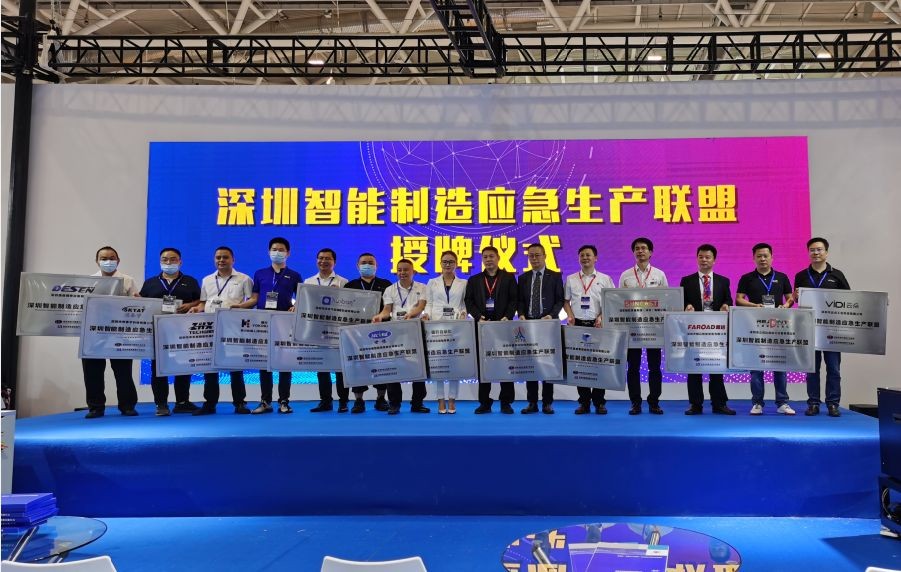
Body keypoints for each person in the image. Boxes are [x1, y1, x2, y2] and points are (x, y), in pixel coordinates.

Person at [190, 246, 255, 415]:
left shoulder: (244, 279)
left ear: (233, 260)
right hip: (210, 328)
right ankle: (210, 404)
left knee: (235, 367)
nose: (221, 260)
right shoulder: (207, 280)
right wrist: (197, 309)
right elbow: (203, 303)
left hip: (234, 328)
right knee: (210, 367)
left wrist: (240, 307)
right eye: (218, 257)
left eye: (225, 257)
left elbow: (252, 301)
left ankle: (240, 403)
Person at [138, 247, 203, 416]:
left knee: (184, 366)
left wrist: (190, 305)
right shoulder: (150, 283)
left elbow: (200, 301)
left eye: (173, 259)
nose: (169, 262)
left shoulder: (190, 281)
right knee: (158, 368)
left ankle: (182, 402)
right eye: (165, 259)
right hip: (158, 332)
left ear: (180, 261)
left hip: (183, 331)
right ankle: (161, 404)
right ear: (160, 262)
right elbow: (142, 303)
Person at [793, 237, 851, 417]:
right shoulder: (801, 276)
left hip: (832, 331)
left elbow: (850, 300)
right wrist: (796, 297)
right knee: (812, 369)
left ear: (826, 252)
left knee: (833, 369)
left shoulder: (837, 275)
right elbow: (797, 301)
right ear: (808, 253)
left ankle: (833, 404)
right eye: (812, 250)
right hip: (809, 330)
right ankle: (813, 403)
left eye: (819, 249)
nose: (815, 253)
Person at [736, 242, 796, 416]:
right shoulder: (747, 278)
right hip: (755, 328)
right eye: (759, 256)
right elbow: (738, 299)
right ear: (754, 258)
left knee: (780, 366)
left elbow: (790, 298)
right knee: (756, 367)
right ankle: (757, 403)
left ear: (771, 257)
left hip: (778, 328)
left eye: (765, 255)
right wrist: (755, 306)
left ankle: (782, 402)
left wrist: (786, 305)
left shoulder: (782, 277)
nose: (762, 259)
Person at [246, 237, 303, 414]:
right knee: (265, 363)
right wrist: (238, 307)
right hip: (263, 324)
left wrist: (296, 306)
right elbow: (254, 298)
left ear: (288, 253)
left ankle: (284, 401)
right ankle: (265, 401)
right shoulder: (260, 273)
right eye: (274, 249)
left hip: (285, 323)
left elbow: (301, 298)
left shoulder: (294, 275)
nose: (277, 252)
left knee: (285, 363)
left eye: (281, 250)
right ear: (269, 252)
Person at [82, 246, 140, 419]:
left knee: (123, 372)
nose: (108, 261)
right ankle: (95, 407)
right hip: (94, 333)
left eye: (112, 258)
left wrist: (138, 302)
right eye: (104, 258)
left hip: (120, 332)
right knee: (93, 372)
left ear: (118, 260)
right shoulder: (88, 281)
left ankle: (127, 406)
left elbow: (136, 305)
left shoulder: (127, 280)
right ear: (97, 261)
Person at [679, 244, 736, 416]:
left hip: (715, 332)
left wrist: (726, 305)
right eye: (701, 257)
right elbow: (681, 301)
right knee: (694, 368)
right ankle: (695, 404)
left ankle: (719, 404)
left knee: (716, 368)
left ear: (714, 260)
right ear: (697, 258)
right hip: (694, 330)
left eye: (707, 257)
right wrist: (687, 306)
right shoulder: (686, 280)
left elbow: (729, 300)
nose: (704, 260)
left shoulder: (723, 281)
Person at [464, 246, 518, 414]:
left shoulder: (508, 278)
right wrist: (478, 316)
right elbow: (469, 301)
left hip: (503, 327)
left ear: (498, 258)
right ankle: (484, 402)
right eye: (485, 257)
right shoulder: (474, 280)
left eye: (491, 256)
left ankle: (506, 402)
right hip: (483, 327)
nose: (488, 259)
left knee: (505, 363)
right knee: (484, 365)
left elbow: (514, 300)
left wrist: (507, 317)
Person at [563, 244, 615, 415]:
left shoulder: (605, 279)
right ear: (578, 258)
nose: (585, 258)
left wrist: (601, 317)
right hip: (578, 324)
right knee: (580, 364)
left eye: (588, 255)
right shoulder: (571, 279)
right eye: (582, 255)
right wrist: (570, 316)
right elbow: (566, 301)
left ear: (595, 258)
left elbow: (610, 301)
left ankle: (599, 402)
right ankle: (584, 402)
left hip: (597, 325)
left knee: (599, 364)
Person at [618, 237, 668, 415]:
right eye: (637, 248)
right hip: (633, 328)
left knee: (655, 367)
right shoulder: (625, 275)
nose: (640, 251)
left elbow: (667, 299)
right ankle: (635, 402)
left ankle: (654, 402)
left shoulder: (659, 275)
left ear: (650, 252)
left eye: (644, 248)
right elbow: (619, 301)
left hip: (654, 328)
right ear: (633, 252)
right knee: (633, 368)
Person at [373, 258, 429, 414]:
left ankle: (417, 403)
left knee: (418, 368)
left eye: (406, 270)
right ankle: (394, 403)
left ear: (413, 271)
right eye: (399, 270)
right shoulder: (390, 290)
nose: (402, 272)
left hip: (415, 331)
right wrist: (380, 316)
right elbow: (387, 310)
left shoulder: (422, 287)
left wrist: (411, 314)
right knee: (394, 368)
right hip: (395, 333)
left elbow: (421, 306)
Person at [517, 243, 565, 415]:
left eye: (537, 255)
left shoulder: (555, 276)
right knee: (530, 364)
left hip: (547, 325)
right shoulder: (523, 278)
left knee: (547, 363)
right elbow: (520, 301)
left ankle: (547, 402)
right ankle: (532, 402)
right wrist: (521, 314)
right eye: (531, 255)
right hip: (529, 325)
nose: (534, 258)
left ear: (545, 256)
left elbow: (560, 300)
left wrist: (551, 315)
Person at [344, 252, 393, 413]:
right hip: (356, 334)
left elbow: (390, 307)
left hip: (381, 332)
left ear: (376, 266)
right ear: (357, 266)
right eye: (364, 262)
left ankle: (381, 398)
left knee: (381, 364)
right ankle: (359, 400)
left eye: (371, 262)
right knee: (358, 365)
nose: (367, 265)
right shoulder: (350, 286)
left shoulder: (386, 284)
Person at [422, 251, 469, 414]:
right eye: (445, 261)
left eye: (451, 261)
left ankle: (452, 399)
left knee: (455, 363)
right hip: (436, 326)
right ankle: (440, 399)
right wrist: (426, 315)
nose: (448, 264)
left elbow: (464, 304)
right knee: (438, 363)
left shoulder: (464, 283)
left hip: (456, 326)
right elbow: (429, 303)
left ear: (456, 264)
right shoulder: (432, 282)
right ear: (440, 264)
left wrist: (464, 313)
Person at [305, 248, 350, 412]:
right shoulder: (308, 282)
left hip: (337, 330)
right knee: (322, 367)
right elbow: (305, 304)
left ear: (334, 262)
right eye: (320, 258)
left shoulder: (343, 282)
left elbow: (349, 306)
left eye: (327, 259)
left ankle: (343, 401)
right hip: (317, 330)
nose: (323, 261)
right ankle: (325, 401)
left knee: (340, 368)